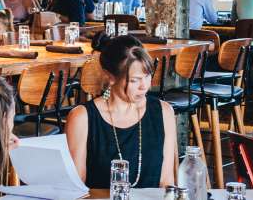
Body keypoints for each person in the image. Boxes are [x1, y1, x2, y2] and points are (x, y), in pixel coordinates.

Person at [65, 34, 177, 188]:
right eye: (134, 80)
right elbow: (76, 189)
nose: (144, 86)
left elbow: (166, 182)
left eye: (147, 76)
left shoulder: (164, 112)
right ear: (110, 77)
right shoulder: (82, 118)